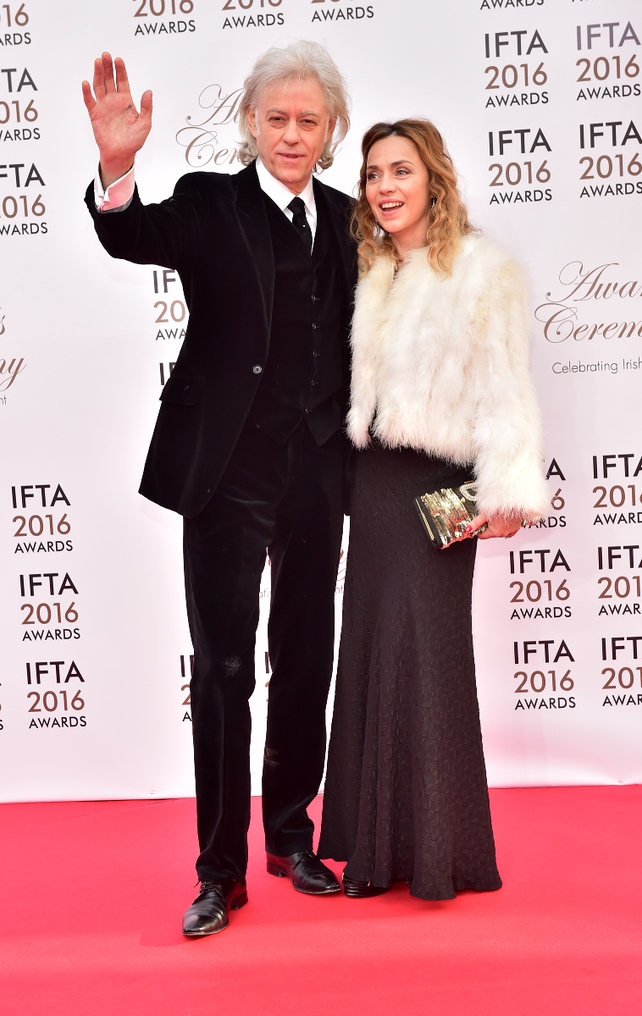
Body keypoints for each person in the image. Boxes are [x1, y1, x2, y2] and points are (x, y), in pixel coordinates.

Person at [82, 42, 357, 935]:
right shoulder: (207, 201)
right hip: (225, 472)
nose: (290, 134)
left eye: (307, 121)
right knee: (224, 670)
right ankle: (218, 870)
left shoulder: (352, 224)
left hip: (317, 469)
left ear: (330, 132)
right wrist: (117, 169)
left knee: (306, 657)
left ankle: (290, 836)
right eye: (275, 117)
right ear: (249, 122)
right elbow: (129, 235)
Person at [318, 119, 549, 901]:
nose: (385, 186)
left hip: (441, 490)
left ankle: (439, 853)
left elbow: (504, 387)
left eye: (401, 171)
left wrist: (508, 489)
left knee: (427, 657)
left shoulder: (485, 271)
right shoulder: (371, 268)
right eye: (374, 173)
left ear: (433, 179)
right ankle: (374, 852)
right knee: (373, 653)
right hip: (374, 487)